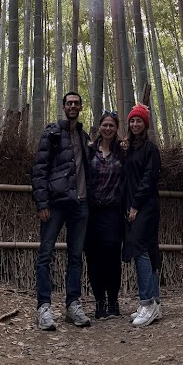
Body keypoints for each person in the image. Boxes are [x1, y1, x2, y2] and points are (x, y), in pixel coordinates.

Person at [31, 91, 91, 331]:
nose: (72, 106)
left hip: (80, 204)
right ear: (63, 106)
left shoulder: (84, 137)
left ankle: (73, 305)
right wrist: (42, 203)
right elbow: (39, 169)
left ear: (81, 107)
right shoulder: (52, 133)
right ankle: (43, 307)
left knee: (76, 257)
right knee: (45, 254)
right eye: (69, 103)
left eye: (76, 103)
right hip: (55, 204)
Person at [122, 103, 162, 327]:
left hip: (146, 205)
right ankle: (155, 301)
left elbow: (149, 179)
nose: (135, 124)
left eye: (139, 120)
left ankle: (147, 303)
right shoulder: (131, 149)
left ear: (145, 124)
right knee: (148, 249)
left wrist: (135, 205)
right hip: (135, 205)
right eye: (132, 121)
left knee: (140, 250)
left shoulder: (150, 149)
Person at [85, 110, 124, 320]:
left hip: (113, 213)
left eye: (111, 125)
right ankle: (99, 302)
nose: (108, 128)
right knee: (93, 259)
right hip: (92, 212)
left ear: (117, 129)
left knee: (112, 258)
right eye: (104, 125)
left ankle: (113, 301)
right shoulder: (90, 151)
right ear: (99, 127)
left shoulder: (122, 152)